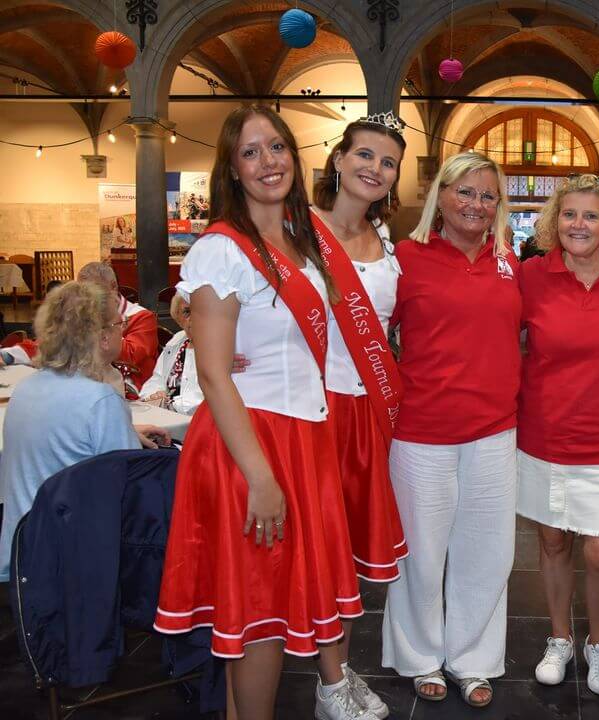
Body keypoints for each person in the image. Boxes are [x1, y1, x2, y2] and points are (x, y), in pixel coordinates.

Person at [153, 106, 369, 720]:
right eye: (251, 152)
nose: (268, 162)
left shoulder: (299, 241)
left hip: (300, 436)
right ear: (233, 168)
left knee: (262, 611)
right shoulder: (224, 249)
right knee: (259, 619)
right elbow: (215, 376)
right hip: (254, 447)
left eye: (276, 147)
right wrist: (262, 478)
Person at [383, 152, 521, 708]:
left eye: (488, 196)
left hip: (494, 430)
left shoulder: (512, 262)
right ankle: (419, 655)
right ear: (440, 195)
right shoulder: (402, 259)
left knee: (487, 551)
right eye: (465, 191)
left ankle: (476, 659)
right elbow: (354, 323)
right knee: (420, 551)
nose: (476, 204)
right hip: (420, 430)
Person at [517, 174, 599, 696]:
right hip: (544, 434)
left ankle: (598, 643)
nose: (579, 225)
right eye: (569, 214)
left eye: (591, 215)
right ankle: (560, 638)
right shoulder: (529, 275)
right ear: (554, 220)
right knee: (551, 543)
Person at [308, 112, 410, 719]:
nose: (374, 167)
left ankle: (338, 673)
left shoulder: (391, 249)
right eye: (365, 155)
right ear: (339, 161)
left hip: (368, 412)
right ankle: (330, 682)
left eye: (388, 162)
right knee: (320, 547)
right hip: (310, 412)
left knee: (347, 554)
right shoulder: (296, 232)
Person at [0, 281, 169, 582]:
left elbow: (65, 438)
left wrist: (126, 430)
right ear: (103, 337)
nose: (123, 329)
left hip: (20, 551)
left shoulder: (26, 389)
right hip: (69, 563)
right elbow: (127, 495)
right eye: (120, 324)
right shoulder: (100, 401)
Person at [77, 262, 159, 390]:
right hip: (88, 384)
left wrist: (91, 332)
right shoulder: (81, 315)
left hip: (132, 391)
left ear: (113, 287)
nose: (87, 297)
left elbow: (131, 356)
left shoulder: (141, 317)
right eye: (82, 292)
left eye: (94, 290)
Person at [139, 293, 203, 415]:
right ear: (178, 318)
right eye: (187, 312)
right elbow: (156, 380)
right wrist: (154, 395)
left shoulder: (223, 349)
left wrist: (170, 404)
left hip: (202, 423)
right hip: (169, 420)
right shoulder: (176, 343)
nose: (194, 317)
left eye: (201, 310)